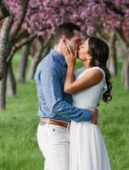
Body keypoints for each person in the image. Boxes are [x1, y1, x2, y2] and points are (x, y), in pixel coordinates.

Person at [35, 23, 98, 170]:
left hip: (66, 129)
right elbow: (55, 105)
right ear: (64, 40)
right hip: (54, 132)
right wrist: (87, 114)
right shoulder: (50, 67)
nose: (79, 46)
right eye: (77, 41)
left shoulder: (66, 64)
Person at [63, 36, 112, 170]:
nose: (79, 47)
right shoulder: (81, 72)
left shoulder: (96, 73)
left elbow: (68, 88)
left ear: (90, 55)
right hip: (77, 123)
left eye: (83, 46)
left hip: (86, 126)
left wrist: (70, 65)